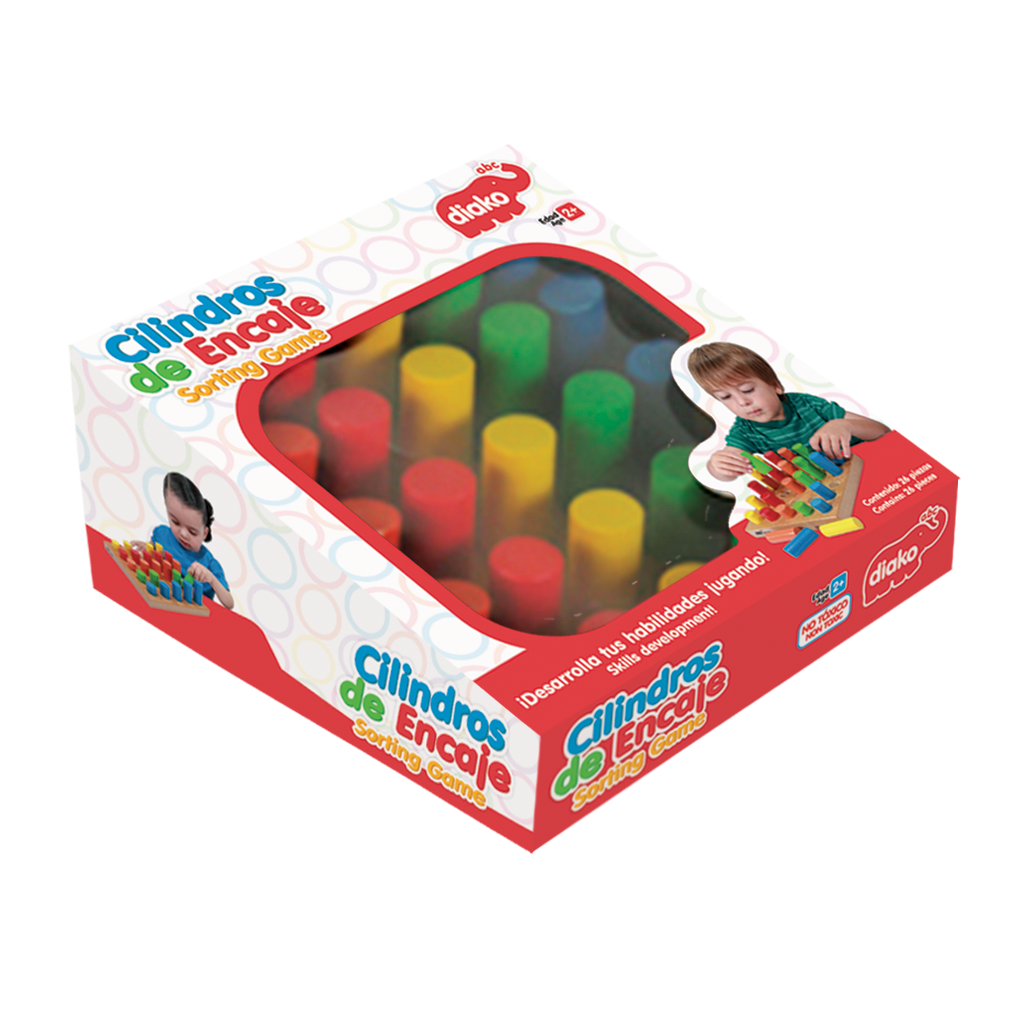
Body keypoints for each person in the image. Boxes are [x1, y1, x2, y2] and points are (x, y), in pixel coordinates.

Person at [687, 342, 889, 482]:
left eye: (747, 390)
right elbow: (728, 469)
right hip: (827, 487)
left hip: (870, 470)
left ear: (775, 385)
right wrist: (716, 466)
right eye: (725, 397)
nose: (742, 402)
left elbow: (881, 431)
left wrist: (844, 425)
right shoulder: (745, 432)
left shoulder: (807, 404)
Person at [146, 472, 235, 610]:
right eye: (175, 522)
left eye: (192, 532)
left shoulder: (209, 563)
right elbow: (150, 552)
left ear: (204, 533)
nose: (183, 534)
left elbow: (229, 603)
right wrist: (146, 550)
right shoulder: (162, 534)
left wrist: (211, 578)